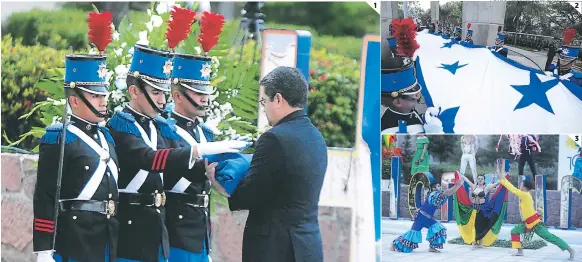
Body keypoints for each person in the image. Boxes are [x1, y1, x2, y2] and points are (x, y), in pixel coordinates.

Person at [107, 44, 248, 262]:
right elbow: (150, 160)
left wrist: (218, 166)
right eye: (156, 92)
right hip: (133, 234)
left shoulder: (157, 125)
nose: (163, 101)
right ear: (134, 91)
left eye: (163, 93)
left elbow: (178, 170)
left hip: (160, 235)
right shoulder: (121, 124)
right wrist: (200, 151)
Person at [207, 66, 328, 262]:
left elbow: (252, 194)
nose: (263, 109)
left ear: (278, 99)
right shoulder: (316, 137)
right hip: (308, 246)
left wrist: (221, 186)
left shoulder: (274, 139)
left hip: (275, 249)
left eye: (264, 101)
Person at [33, 12, 119, 262]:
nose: (103, 101)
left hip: (106, 239)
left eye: (103, 95)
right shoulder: (59, 138)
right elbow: (45, 196)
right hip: (73, 242)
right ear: (74, 100)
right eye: (95, 96)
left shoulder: (107, 137)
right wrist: (44, 250)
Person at [381, 18, 444, 134]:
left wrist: (424, 117)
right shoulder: (392, 131)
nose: (418, 96)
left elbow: (412, 117)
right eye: (414, 94)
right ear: (398, 102)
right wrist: (433, 134)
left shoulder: (404, 110)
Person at [497, 173, 575, 260]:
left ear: (524, 187)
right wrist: (537, 212)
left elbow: (513, 189)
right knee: (514, 231)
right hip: (528, 222)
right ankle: (520, 251)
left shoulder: (525, 194)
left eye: (521, 185)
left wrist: (503, 180)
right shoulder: (526, 195)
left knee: (550, 237)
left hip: (535, 223)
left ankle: (570, 250)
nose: (520, 186)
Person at [391, 173, 464, 253]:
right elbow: (448, 192)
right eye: (438, 186)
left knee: (438, 229)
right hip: (421, 217)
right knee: (412, 234)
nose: (440, 187)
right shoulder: (434, 194)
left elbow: (448, 193)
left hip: (428, 218)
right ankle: (394, 243)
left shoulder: (436, 195)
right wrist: (457, 185)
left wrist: (458, 186)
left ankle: (432, 248)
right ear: (434, 188)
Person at [455, 174, 505, 249]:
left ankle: (479, 243)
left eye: (482, 179)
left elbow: (497, 183)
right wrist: (460, 175)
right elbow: (467, 180)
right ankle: (474, 242)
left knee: (480, 227)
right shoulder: (474, 187)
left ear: (484, 180)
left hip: (482, 210)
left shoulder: (486, 188)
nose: (480, 180)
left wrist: (503, 177)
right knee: (474, 226)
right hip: (474, 209)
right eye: (479, 179)